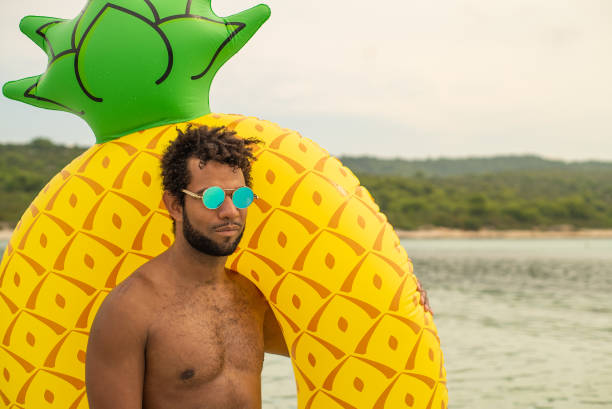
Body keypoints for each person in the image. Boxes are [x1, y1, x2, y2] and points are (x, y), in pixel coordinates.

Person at [85, 125, 430, 409]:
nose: (230, 211)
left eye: (241, 196)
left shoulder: (250, 296)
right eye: (213, 197)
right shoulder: (130, 310)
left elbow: (334, 343)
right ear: (175, 205)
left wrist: (400, 305)